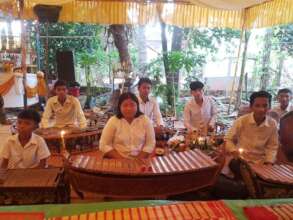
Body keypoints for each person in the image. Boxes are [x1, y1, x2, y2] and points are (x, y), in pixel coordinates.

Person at [225, 91, 279, 166]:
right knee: (236, 165)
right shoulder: (242, 120)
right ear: (251, 107)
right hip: (241, 160)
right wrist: (234, 151)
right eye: (257, 106)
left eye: (265, 106)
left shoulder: (272, 124)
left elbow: (272, 146)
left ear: (269, 107)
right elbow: (228, 139)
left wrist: (269, 162)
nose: (261, 109)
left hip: (260, 162)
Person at [99, 92, 155, 159]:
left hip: (140, 160)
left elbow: (150, 143)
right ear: (120, 107)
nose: (129, 108)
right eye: (125, 105)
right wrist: (123, 161)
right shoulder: (113, 121)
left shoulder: (145, 120)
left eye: (132, 105)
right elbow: (103, 145)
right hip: (118, 160)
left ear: (137, 106)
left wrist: (138, 160)